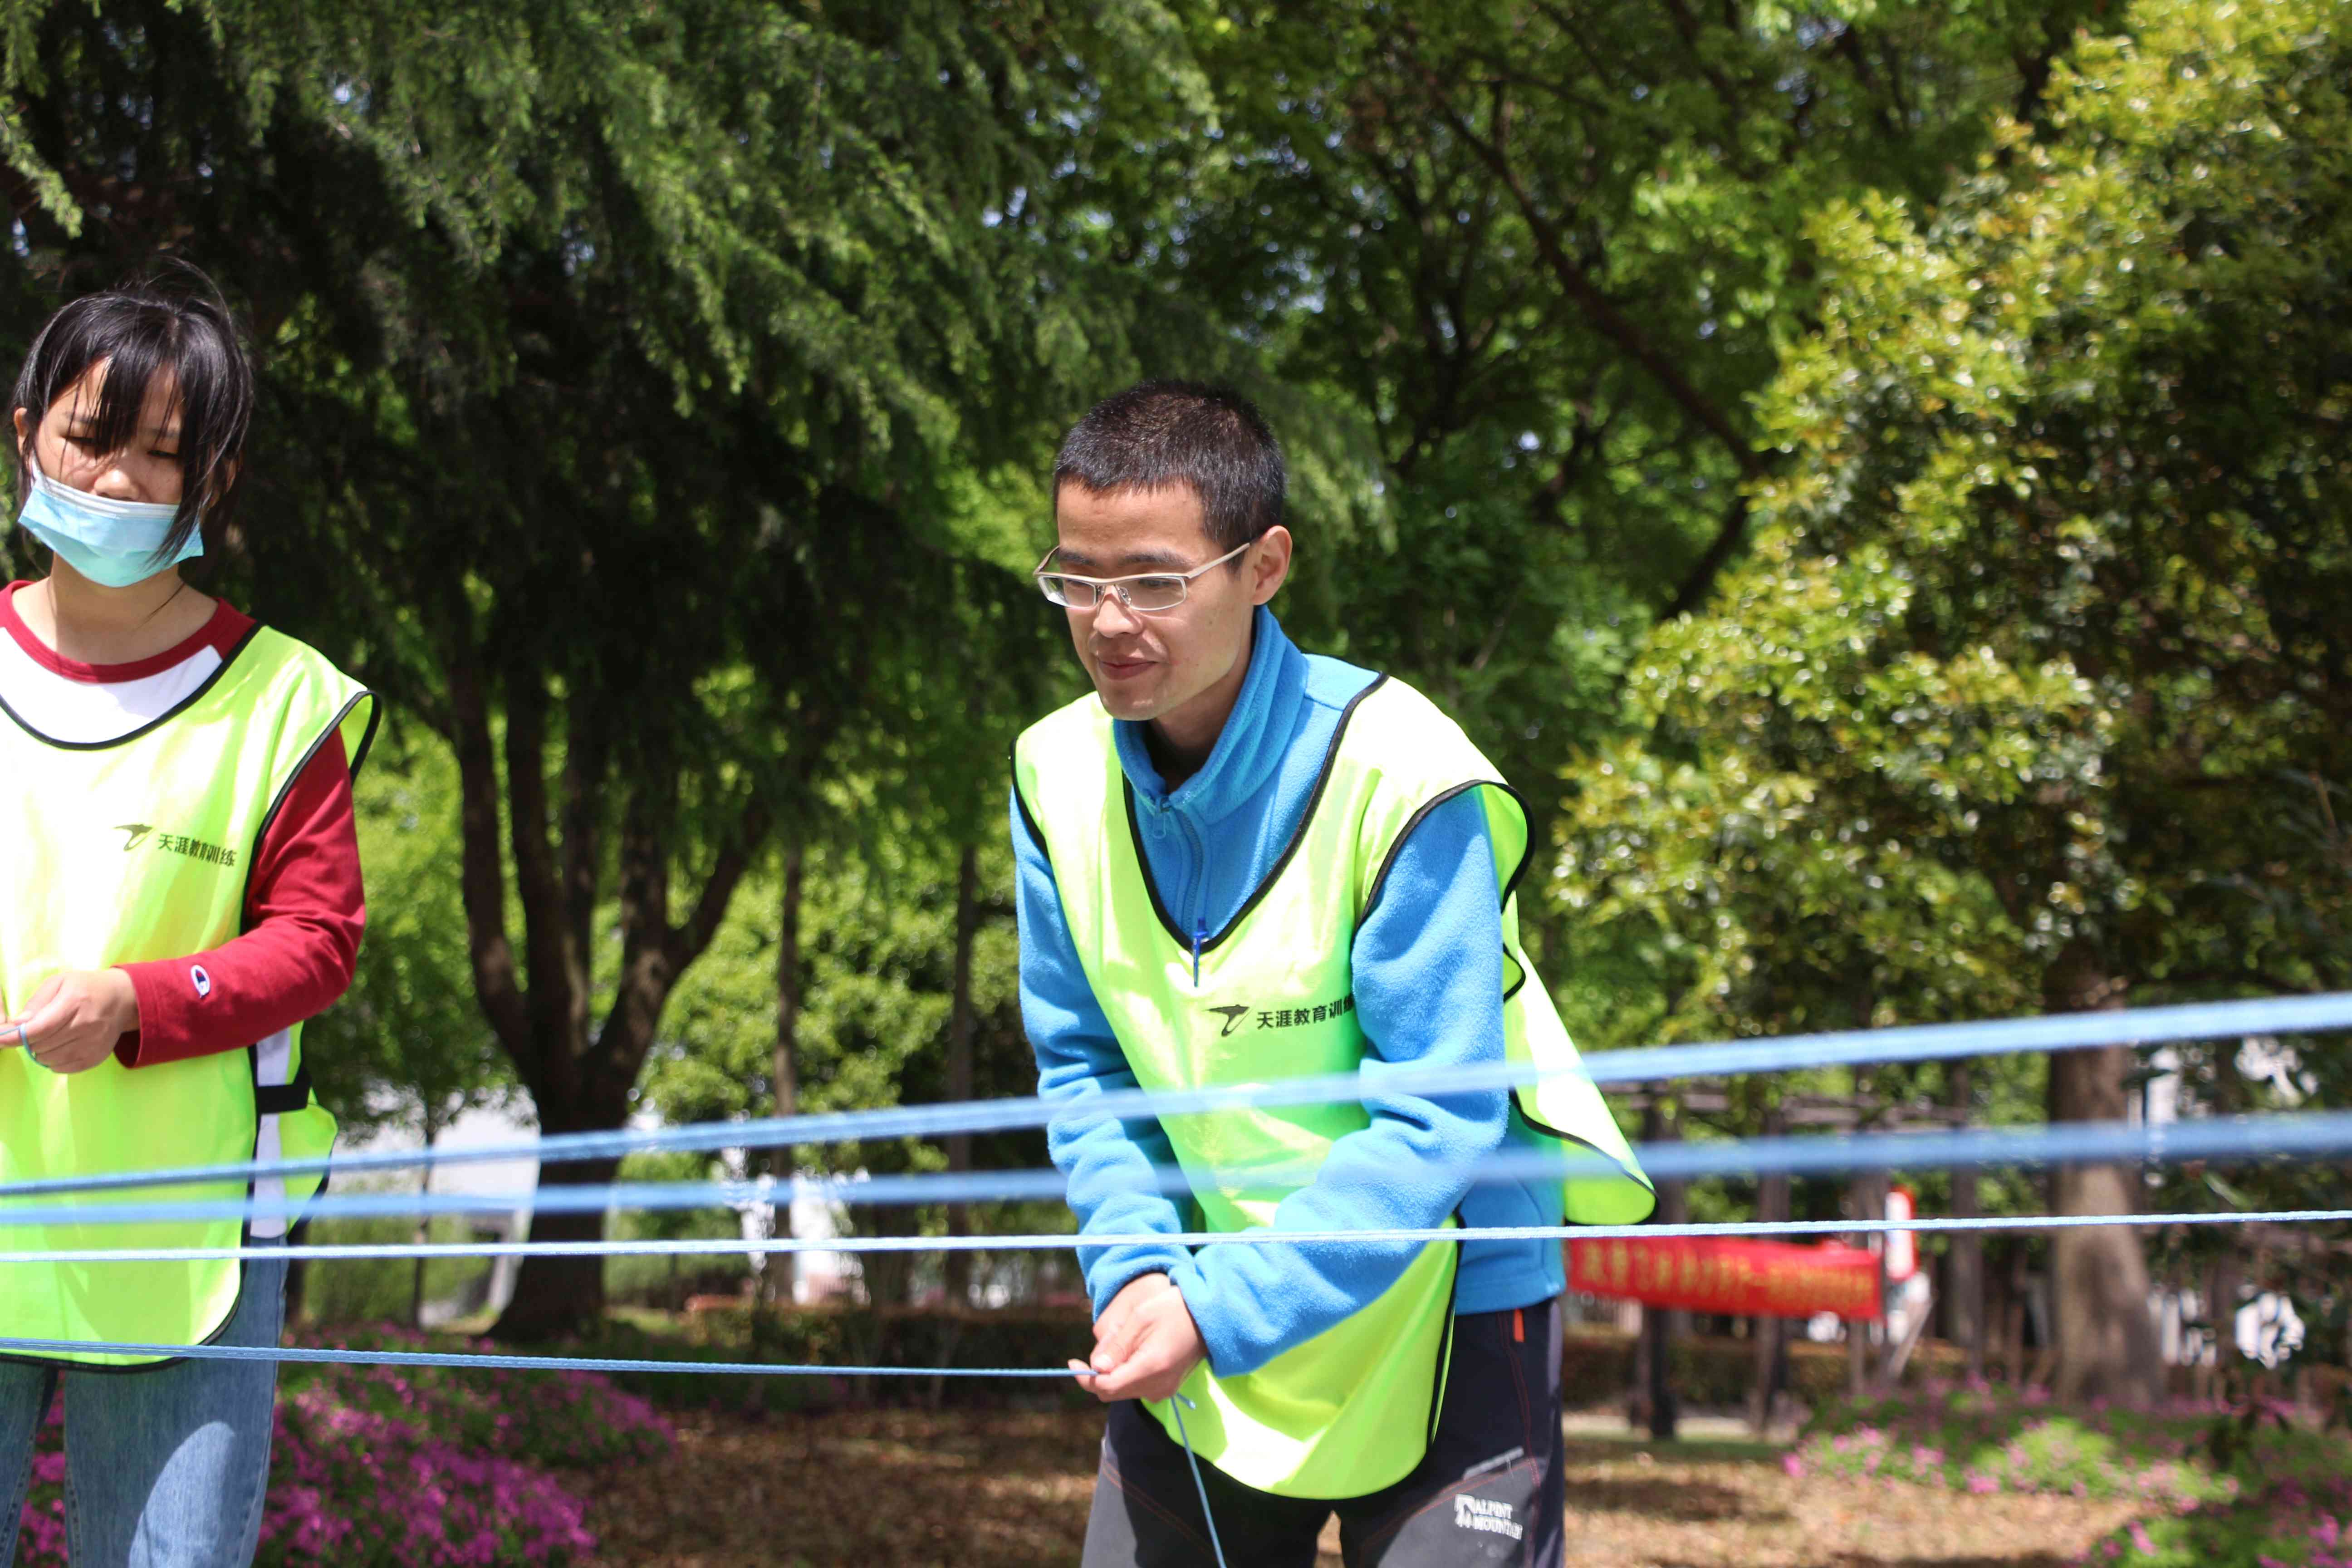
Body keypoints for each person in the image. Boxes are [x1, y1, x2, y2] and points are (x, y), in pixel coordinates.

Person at [1011, 381, 1653, 1568]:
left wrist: (1212, 1309)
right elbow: (1087, 1068)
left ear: (1264, 566)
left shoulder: (1410, 775)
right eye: (1077, 578)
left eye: (1153, 581)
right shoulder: (1052, 775)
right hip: (1202, 1290)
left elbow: (1437, 1116)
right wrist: (1140, 1269)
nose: (1108, 620)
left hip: (1454, 1291)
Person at [0, 267, 374, 1568]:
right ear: (25, 430)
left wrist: (137, 1006)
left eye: (157, 459)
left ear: (210, 484)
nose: (109, 485)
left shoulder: (282, 700)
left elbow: (318, 937)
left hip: (185, 1242)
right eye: (87, 440)